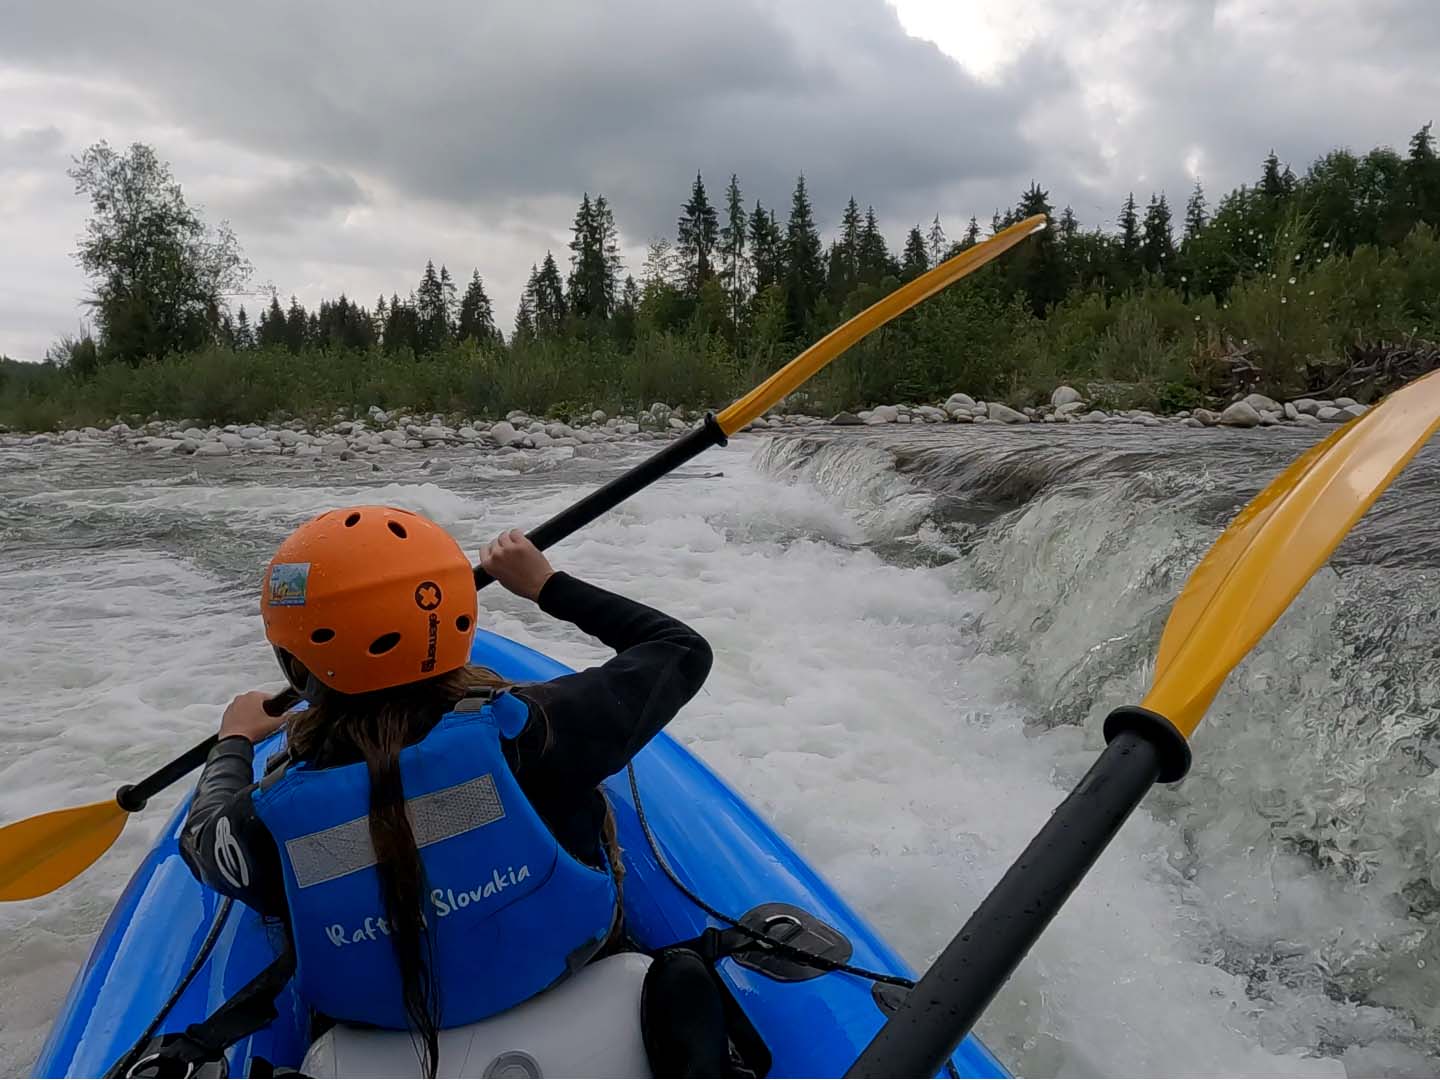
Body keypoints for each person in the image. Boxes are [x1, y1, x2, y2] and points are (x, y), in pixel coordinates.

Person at [180, 505, 712, 1076]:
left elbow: (200, 838)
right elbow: (679, 649)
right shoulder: (534, 732)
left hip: (378, 1041)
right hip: (576, 977)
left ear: (293, 662)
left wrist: (233, 742)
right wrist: (544, 584)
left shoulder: (265, 819)